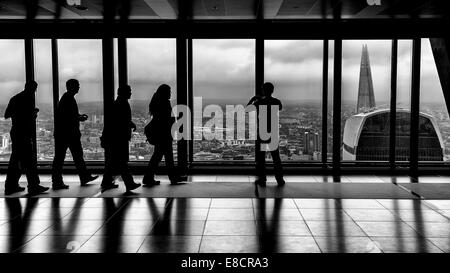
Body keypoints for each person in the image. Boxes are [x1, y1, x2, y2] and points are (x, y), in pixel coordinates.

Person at [3, 81, 49, 195]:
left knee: (16, 160)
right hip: (24, 133)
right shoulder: (28, 99)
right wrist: (33, 113)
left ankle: (11, 185)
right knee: (28, 160)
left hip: (16, 132)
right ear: (33, 89)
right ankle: (33, 185)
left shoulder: (15, 98)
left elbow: (6, 115)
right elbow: (28, 117)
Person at [51, 79, 98, 190]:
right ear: (72, 87)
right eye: (77, 85)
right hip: (68, 134)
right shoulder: (68, 99)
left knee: (64, 158)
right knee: (72, 157)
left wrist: (78, 116)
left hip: (64, 134)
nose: (79, 87)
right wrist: (79, 117)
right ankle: (81, 177)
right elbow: (68, 117)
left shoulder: (66, 98)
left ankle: (60, 181)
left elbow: (67, 115)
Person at [142, 84, 187, 186]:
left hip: (160, 134)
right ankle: (171, 178)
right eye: (169, 91)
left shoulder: (157, 102)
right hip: (164, 134)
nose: (171, 93)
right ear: (165, 93)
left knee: (159, 156)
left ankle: (149, 177)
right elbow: (167, 119)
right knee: (166, 156)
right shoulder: (165, 103)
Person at [100, 85, 141, 193]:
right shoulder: (122, 104)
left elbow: (117, 121)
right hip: (118, 138)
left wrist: (130, 123)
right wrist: (130, 124)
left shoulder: (117, 103)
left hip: (114, 138)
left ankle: (106, 182)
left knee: (112, 162)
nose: (131, 93)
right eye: (129, 91)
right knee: (122, 162)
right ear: (124, 92)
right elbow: (121, 121)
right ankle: (129, 183)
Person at [247, 82, 285, 187]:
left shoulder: (260, 102)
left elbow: (247, 110)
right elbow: (280, 108)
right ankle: (279, 179)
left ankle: (262, 179)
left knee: (261, 157)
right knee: (276, 157)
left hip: (262, 131)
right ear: (272, 90)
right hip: (273, 131)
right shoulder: (276, 102)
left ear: (263, 90)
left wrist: (253, 99)